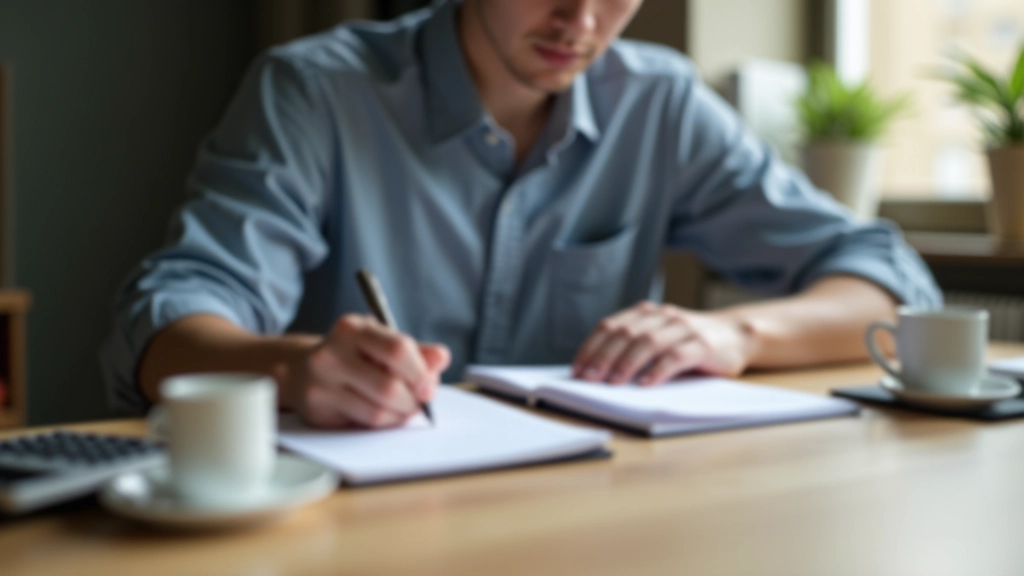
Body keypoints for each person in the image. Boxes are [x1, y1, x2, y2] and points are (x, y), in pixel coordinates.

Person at [102, 0, 940, 428]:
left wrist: (735, 335)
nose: (580, 22)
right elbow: (166, 327)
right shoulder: (316, 92)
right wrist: (291, 368)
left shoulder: (660, 103)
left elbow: (895, 288)